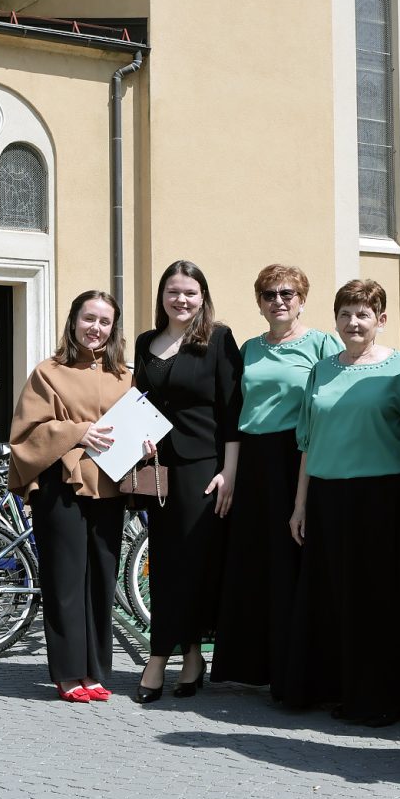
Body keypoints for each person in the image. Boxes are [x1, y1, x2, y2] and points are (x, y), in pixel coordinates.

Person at [282, 279, 400, 725]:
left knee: (378, 600)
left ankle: (383, 697)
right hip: (328, 498)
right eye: (346, 314)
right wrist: (300, 505)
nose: (354, 322)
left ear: (381, 320)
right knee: (333, 597)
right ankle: (335, 688)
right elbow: (308, 442)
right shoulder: (321, 370)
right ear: (335, 320)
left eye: (363, 314)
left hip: (384, 499)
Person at [211, 264, 337, 695]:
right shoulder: (249, 349)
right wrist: (230, 471)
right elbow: (234, 411)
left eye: (287, 293)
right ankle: (256, 667)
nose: (278, 301)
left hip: (298, 456)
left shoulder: (323, 343)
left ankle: (299, 670)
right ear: (259, 302)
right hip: (254, 463)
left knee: (296, 559)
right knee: (257, 562)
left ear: (302, 299)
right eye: (269, 294)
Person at [8, 290, 131, 703]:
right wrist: (78, 431)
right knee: (64, 578)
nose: (95, 328)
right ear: (73, 320)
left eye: (104, 321)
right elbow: (26, 433)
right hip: (59, 485)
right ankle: (66, 672)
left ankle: (94, 670)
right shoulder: (48, 372)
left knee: (102, 577)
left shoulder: (124, 376)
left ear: (113, 328)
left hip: (109, 486)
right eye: (88, 318)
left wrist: (145, 444)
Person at [132, 260, 242, 702]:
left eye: (190, 292)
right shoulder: (146, 342)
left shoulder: (218, 339)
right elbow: (139, 401)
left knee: (194, 564)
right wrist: (139, 439)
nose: (181, 299)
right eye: (173, 291)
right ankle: (192, 656)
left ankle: (158, 658)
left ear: (202, 297)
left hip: (203, 468)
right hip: (158, 469)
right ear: (162, 296)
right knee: (164, 563)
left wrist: (229, 471)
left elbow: (233, 410)